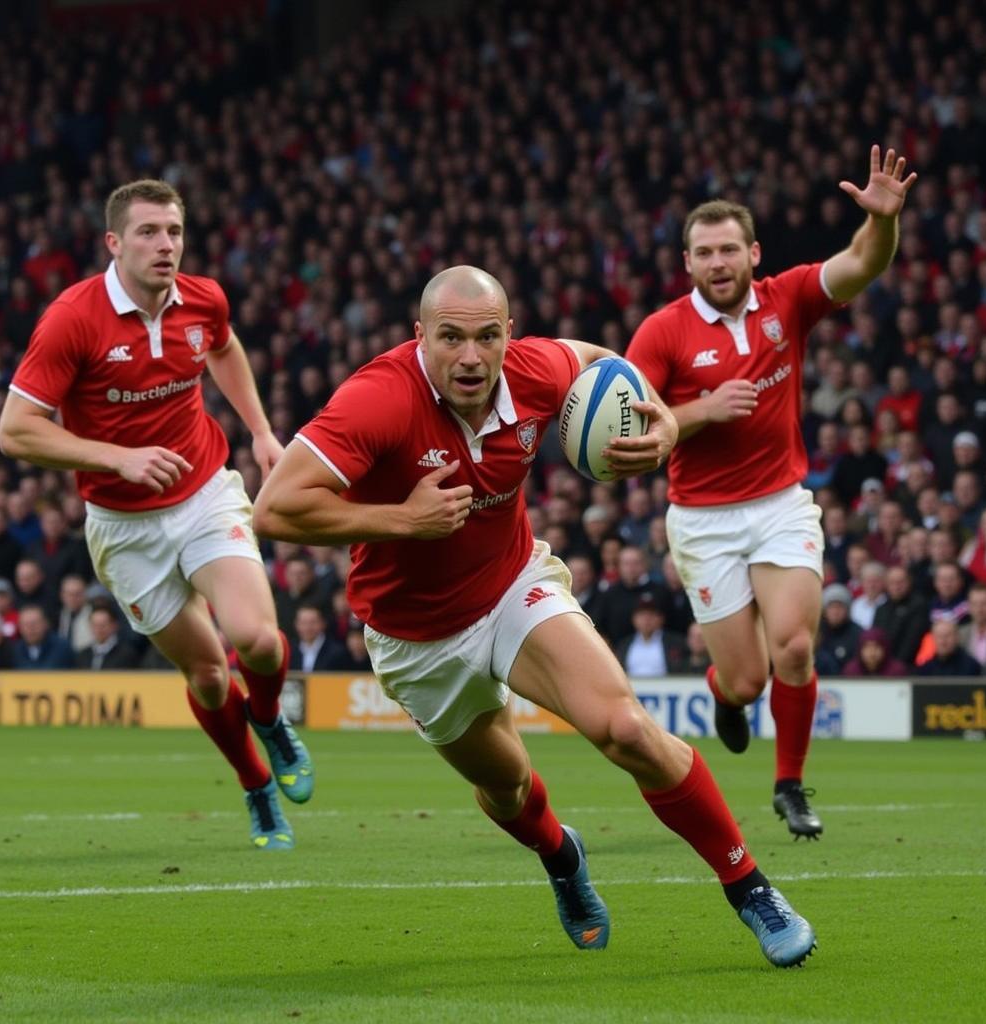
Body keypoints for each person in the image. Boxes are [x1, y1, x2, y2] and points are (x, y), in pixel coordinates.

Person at [252, 265, 816, 967]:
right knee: (507, 785)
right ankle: (561, 855)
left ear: (508, 335)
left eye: (487, 337)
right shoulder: (377, 400)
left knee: (626, 728)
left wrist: (665, 417)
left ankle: (751, 887)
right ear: (419, 335)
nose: (470, 356)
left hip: (512, 585)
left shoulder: (535, 369)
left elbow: (600, 361)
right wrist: (401, 519)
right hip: (414, 636)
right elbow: (273, 509)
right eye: (451, 338)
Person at [0, 179, 313, 850]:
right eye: (148, 232)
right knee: (203, 673)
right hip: (123, 524)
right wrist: (118, 457)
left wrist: (258, 431)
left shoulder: (204, 299)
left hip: (204, 492)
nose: (164, 244)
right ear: (114, 243)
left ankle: (269, 719)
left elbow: (223, 348)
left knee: (256, 639)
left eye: (172, 231)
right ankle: (255, 784)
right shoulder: (72, 318)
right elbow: (16, 431)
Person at [626, 146, 916, 840]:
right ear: (688, 264)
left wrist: (881, 222)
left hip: (782, 503)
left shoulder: (787, 298)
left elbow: (862, 263)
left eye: (730, 248)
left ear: (753, 253)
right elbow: (630, 422)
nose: (719, 262)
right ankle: (725, 696)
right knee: (750, 680)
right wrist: (701, 411)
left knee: (793, 647)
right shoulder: (663, 331)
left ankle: (789, 785)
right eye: (705, 253)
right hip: (701, 519)